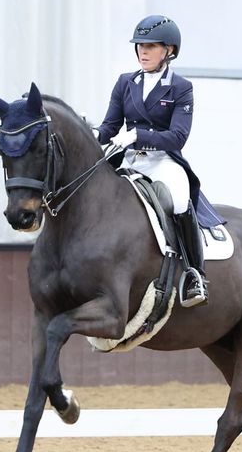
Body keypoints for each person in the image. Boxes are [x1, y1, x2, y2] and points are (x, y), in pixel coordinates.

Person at [95, 15, 224, 308]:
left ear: (169, 50)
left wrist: (137, 135)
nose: (143, 51)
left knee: (178, 200)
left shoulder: (180, 88)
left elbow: (177, 137)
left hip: (161, 161)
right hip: (127, 160)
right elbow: (109, 127)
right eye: (140, 45)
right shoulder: (125, 82)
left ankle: (194, 274)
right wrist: (92, 133)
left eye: (151, 46)